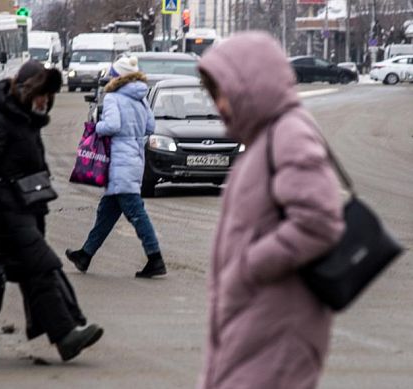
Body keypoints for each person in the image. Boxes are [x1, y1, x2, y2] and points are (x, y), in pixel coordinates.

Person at [197, 32, 345, 388]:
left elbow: (319, 221)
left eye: (222, 92)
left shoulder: (289, 133)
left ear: (250, 85)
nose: (218, 104)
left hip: (281, 322)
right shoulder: (264, 138)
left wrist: (250, 266)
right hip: (259, 317)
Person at [0, 61, 103, 362]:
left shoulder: (25, 117)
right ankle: (65, 336)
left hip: (24, 209)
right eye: (42, 94)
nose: (45, 100)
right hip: (7, 212)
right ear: (28, 89)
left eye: (48, 96)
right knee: (42, 269)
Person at [66, 56, 166, 278]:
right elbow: (151, 126)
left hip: (119, 160)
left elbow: (112, 125)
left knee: (136, 213)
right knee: (107, 212)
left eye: (112, 74)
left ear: (118, 77)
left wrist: (96, 127)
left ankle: (155, 258)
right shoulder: (141, 97)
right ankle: (85, 255)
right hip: (134, 158)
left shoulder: (113, 98)